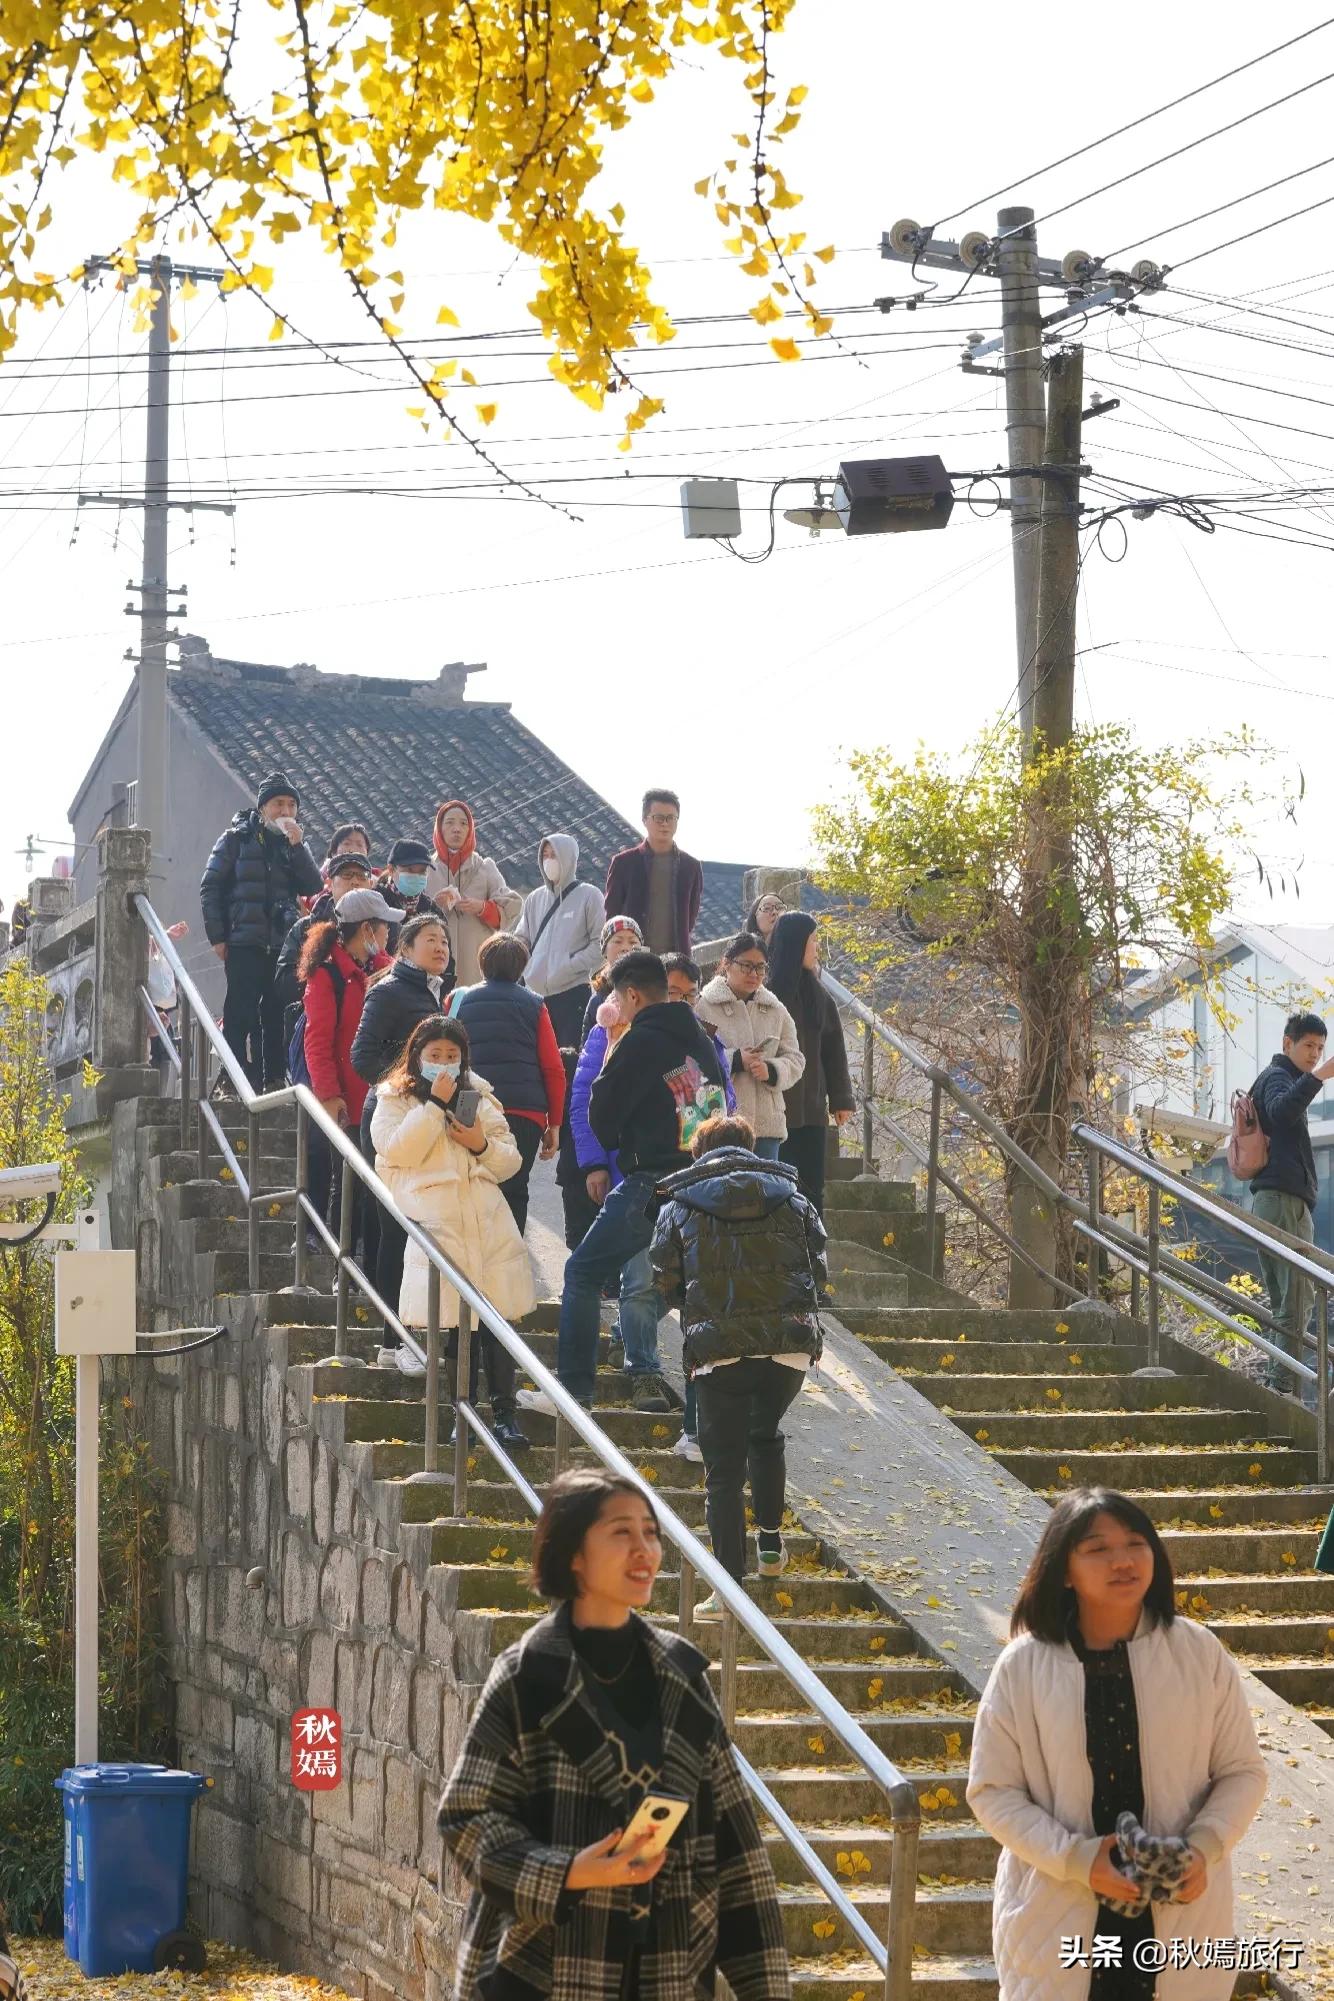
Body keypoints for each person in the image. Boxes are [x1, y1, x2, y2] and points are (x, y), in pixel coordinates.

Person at [438, 1466, 790, 2001]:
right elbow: (466, 1817)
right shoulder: (528, 1675)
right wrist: (567, 1873)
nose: (644, 1550)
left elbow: (737, 1856)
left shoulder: (683, 1678)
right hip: (540, 1974)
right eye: (622, 1532)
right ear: (573, 1554)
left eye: (651, 1532)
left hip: (666, 1973)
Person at [967, 1487, 1266, 2001]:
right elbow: (993, 1791)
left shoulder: (1198, 1653)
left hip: (1181, 1918)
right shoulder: (1023, 1666)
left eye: (1135, 1543)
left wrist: (1204, 1849)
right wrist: (1077, 1859)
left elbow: (1242, 1771)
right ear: (1064, 1570)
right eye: (1098, 1549)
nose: (1122, 1560)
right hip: (1057, 1920)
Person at [650, 1114, 824, 1619]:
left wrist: (699, 1311)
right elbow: (818, 1266)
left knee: (723, 1471)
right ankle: (769, 1544)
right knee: (764, 1435)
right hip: (788, 1346)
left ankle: (729, 1590)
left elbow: (663, 1275)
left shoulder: (679, 1204)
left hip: (719, 1350)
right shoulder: (795, 1198)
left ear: (698, 1152)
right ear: (751, 1146)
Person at [551, 952, 727, 1415]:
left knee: (583, 1272)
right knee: (693, 1298)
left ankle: (574, 1393)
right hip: (702, 1182)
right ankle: (698, 1427)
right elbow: (717, 1109)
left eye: (617, 998)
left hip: (650, 1182)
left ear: (631, 995)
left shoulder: (638, 1040)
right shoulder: (703, 1041)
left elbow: (602, 1116)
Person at [371, 1015, 534, 1449]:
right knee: (460, 1327)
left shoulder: (479, 1095)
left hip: (486, 1222)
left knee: (497, 1322)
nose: (443, 1063)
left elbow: (510, 1161)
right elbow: (397, 1150)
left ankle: (506, 1417)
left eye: (451, 1055)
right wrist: (433, 1107)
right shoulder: (394, 1098)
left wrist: (480, 1143)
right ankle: (464, 1414)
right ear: (417, 1055)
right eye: (435, 1055)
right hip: (439, 1224)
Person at [350, 912, 455, 1368]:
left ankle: (404, 1337)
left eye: (445, 941)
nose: (441, 947)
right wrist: (407, 1088)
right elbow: (362, 1056)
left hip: (425, 1123)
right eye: (431, 939)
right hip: (391, 1119)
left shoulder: (434, 995)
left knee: (416, 1230)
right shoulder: (390, 991)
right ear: (406, 949)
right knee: (396, 1230)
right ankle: (393, 1342)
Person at [200, 771, 324, 1090]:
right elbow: (210, 886)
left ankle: (273, 1080)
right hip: (243, 940)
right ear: (262, 808)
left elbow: (313, 886)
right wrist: (218, 937)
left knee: (276, 1013)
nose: (285, 811)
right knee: (239, 1011)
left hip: (282, 944)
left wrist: (298, 847)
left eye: (291, 805)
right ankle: (232, 1077)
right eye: (278, 804)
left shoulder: (292, 846)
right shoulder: (235, 839)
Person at [296, 888, 396, 1250]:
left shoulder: (385, 967)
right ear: (367, 928)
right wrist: (328, 1095)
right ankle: (345, 1262)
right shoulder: (326, 974)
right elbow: (317, 1041)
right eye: (384, 925)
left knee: (375, 1186)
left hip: (381, 1096)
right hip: (347, 1099)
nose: (389, 933)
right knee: (350, 1184)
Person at [447, 931, 565, 1235]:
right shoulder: (535, 1004)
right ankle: (509, 1259)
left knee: (470, 1185)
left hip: (470, 1103)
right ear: (521, 966)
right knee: (514, 1188)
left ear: (482, 963)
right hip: (525, 1111)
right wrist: (554, 1124)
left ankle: (470, 1260)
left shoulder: (458, 1000)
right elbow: (553, 1068)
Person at [1248, 1009, 1334, 1407]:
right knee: (1296, 1300)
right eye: (1308, 1046)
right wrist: (1319, 1077)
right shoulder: (1278, 1076)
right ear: (1288, 1043)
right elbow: (1282, 1113)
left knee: (1289, 1302)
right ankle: (1281, 1389)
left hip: (1279, 1201)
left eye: (1320, 1048)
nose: (1315, 1054)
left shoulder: (1279, 1077)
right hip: (1282, 1201)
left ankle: (1278, 1386)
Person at [764, 912, 854, 1219]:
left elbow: (834, 1051)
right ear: (795, 944)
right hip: (777, 1110)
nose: (817, 948)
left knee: (812, 1187)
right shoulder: (768, 994)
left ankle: (813, 1243)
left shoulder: (820, 996)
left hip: (813, 1109)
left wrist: (841, 1100)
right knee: (779, 1186)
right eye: (812, 941)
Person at [695, 934, 805, 1163]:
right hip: (720, 1125)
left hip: (767, 1125)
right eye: (746, 966)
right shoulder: (704, 1006)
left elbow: (795, 1059)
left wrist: (772, 1070)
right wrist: (735, 1060)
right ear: (726, 963)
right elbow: (694, 1059)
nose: (754, 974)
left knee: (764, 1185)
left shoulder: (776, 1009)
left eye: (760, 967)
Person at [514, 832, 606, 1048]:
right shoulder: (534, 898)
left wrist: (569, 966)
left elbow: (600, 944)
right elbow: (521, 939)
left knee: (568, 1057)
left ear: (568, 857)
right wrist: (527, 966)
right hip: (534, 996)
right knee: (534, 1057)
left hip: (572, 993)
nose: (548, 861)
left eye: (554, 855)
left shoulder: (590, 895)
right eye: (545, 855)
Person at [424, 799, 521, 984]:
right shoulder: (425, 870)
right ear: (439, 828)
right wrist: (435, 906)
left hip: (476, 967)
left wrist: (482, 908)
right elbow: (411, 917)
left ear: (470, 830)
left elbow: (509, 908)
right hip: (433, 968)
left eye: (463, 823)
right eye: (449, 822)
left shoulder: (485, 868)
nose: (457, 829)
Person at [274, 850, 376, 1023]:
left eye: (362, 876)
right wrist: (324, 979)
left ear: (371, 884)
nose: (355, 881)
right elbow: (284, 984)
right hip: (315, 1020)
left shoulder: (384, 928)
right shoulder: (306, 927)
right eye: (346, 875)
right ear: (330, 883)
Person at [604, 789, 703, 955]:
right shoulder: (623, 863)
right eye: (658, 818)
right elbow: (612, 917)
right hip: (633, 957)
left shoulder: (691, 866)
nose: (665, 823)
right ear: (645, 820)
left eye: (671, 818)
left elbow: (690, 919)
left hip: (677, 958)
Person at [555, 1045, 601, 1251]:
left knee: (578, 1241)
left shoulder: (563, 1102)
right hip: (596, 1170)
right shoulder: (589, 1094)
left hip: (572, 1173)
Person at [579, 915, 643, 1043]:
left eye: (632, 942)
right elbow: (588, 1046)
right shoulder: (598, 999)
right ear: (604, 951)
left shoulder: (651, 991)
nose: (625, 948)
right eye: (618, 941)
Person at [146, 919, 189, 1071]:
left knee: (163, 1064)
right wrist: (167, 934)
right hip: (150, 1015)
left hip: (161, 1021)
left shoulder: (163, 960)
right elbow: (146, 945)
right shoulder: (143, 950)